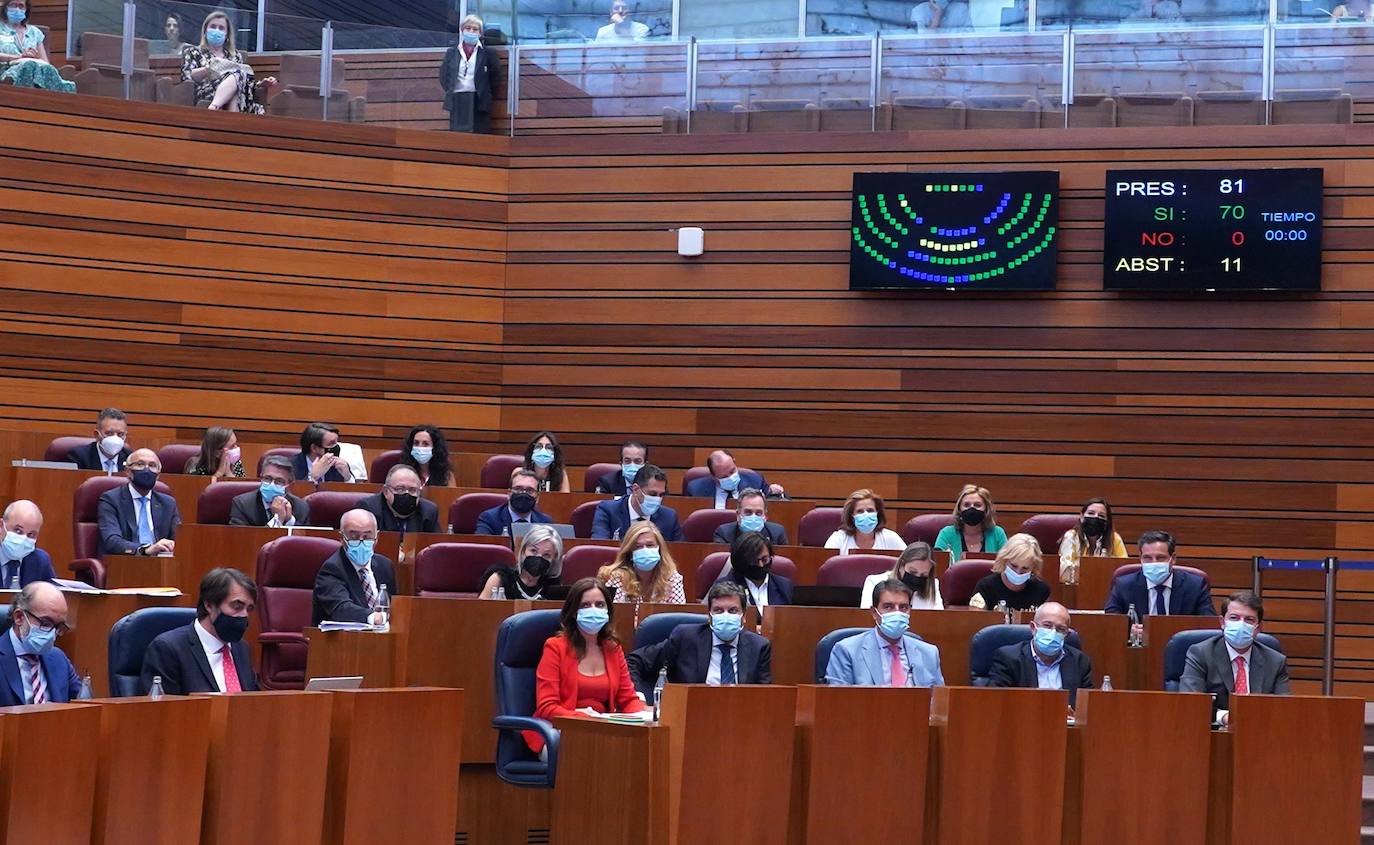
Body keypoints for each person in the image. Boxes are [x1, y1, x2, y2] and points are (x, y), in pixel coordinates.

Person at [527, 578, 645, 757]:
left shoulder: (613, 649)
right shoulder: (555, 647)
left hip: (602, 731)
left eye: (600, 604)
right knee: (593, 755)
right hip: (559, 731)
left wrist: (642, 717)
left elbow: (628, 699)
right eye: (585, 605)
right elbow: (546, 706)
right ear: (573, 612)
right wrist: (586, 720)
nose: (594, 610)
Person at [627, 582, 772, 694]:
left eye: (733, 610)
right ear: (709, 616)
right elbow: (634, 661)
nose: (726, 616)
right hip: (690, 716)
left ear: (744, 616)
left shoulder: (758, 647)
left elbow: (764, 695)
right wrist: (639, 697)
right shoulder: (685, 638)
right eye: (718, 610)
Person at [140, 567, 258, 694]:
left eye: (249, 609)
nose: (244, 615)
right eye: (237, 606)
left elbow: (251, 702)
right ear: (209, 605)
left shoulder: (241, 648)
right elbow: (163, 710)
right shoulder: (168, 649)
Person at [1180, 590, 1289, 725]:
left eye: (1249, 620)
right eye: (1234, 618)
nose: (1241, 624)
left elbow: (1284, 710)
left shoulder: (1275, 661)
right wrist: (1226, 717)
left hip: (1260, 733)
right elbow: (1192, 704)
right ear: (1222, 622)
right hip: (1213, 735)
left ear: (1258, 627)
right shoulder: (1200, 653)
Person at [825, 578, 944, 686]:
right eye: (888, 607)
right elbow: (839, 701)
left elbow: (939, 703)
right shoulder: (847, 651)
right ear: (874, 612)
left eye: (903, 607)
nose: (897, 613)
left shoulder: (929, 653)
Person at [1104, 530, 1216, 645]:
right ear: (1140, 558)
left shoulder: (1195, 586)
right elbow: (1111, 622)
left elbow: (1208, 625)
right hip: (1139, 651)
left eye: (1160, 558)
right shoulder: (1124, 585)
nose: (1154, 563)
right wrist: (1129, 631)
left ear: (1173, 559)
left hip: (1182, 651)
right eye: (1147, 558)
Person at [988, 602, 1093, 710]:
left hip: (1066, 726)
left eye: (1060, 629)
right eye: (1047, 626)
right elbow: (996, 704)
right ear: (1033, 628)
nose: (1053, 633)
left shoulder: (1080, 662)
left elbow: (1088, 709)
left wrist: (1076, 715)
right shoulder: (1008, 658)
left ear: (1066, 635)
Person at [312, 509, 398, 625]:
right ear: (342, 538)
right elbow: (341, 609)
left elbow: (394, 606)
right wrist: (374, 618)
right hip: (344, 640)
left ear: (376, 538)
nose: (361, 542)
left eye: (367, 537)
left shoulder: (385, 565)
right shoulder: (332, 569)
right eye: (354, 537)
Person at [0, 582, 80, 705]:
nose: (52, 634)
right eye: (45, 623)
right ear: (19, 617)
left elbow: (83, 708)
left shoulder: (59, 658)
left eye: (58, 626)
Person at [180, 11, 275, 112]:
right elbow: (187, 76)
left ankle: (214, 107)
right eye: (213, 26)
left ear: (227, 34)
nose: (216, 30)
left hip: (238, 92)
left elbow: (244, 81)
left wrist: (261, 84)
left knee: (238, 79)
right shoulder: (193, 52)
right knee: (237, 84)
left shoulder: (235, 55)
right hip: (207, 91)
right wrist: (208, 70)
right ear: (205, 30)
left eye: (221, 28)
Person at [97, 449, 180, 556]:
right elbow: (111, 541)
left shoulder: (168, 503)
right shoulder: (111, 499)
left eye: (152, 465)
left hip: (161, 564)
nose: (147, 469)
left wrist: (171, 545)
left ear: (158, 474)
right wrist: (145, 550)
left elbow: (180, 539)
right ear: (128, 471)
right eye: (140, 464)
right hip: (124, 562)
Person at [597, 521, 686, 604]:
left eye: (650, 545)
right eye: (638, 547)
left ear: (659, 549)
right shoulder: (615, 577)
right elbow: (610, 614)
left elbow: (678, 615)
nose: (645, 550)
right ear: (630, 553)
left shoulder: (672, 578)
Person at [440, 15, 500, 134]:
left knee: (479, 137)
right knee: (457, 138)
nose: (471, 31)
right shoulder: (452, 52)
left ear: (480, 33)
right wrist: (451, 89)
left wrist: (485, 93)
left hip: (479, 101)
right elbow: (444, 76)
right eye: (468, 28)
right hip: (457, 99)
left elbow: (496, 78)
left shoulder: (488, 53)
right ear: (462, 30)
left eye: (475, 29)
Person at [591, 463, 682, 541]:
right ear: (635, 489)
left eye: (661, 495)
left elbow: (678, 553)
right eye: (652, 494)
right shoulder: (608, 510)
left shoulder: (669, 517)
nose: (657, 499)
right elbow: (600, 547)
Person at [0, 0, 74, 92]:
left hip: (33, 70)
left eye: (21, 6)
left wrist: (32, 57)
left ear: (26, 9)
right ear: (5, 7)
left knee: (47, 69)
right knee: (28, 66)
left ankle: (55, 102)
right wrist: (18, 57)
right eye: (13, 5)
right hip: (5, 71)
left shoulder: (35, 32)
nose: (17, 9)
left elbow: (44, 62)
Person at [712, 532, 792, 616]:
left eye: (765, 559)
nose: (761, 565)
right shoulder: (724, 586)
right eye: (754, 561)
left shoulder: (784, 585)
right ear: (741, 561)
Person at [968, 533, 1051, 611]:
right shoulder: (986, 587)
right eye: (1014, 566)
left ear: (1033, 568)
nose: (1018, 572)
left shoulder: (1042, 591)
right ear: (1005, 560)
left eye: (1025, 568)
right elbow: (975, 621)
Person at [479, 524, 563, 599]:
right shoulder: (500, 579)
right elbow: (480, 611)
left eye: (546, 555)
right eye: (533, 551)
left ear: (554, 559)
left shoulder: (554, 587)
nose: (538, 558)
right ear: (523, 551)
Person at [1057, 497, 1127, 585]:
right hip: (1077, 588)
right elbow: (1065, 573)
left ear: (1106, 522)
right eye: (1091, 513)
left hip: (1106, 587)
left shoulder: (1114, 539)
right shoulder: (1071, 537)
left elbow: (1123, 570)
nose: (1095, 517)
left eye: (1101, 515)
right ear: (1082, 517)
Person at [934, 484, 1008, 563]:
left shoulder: (997, 533)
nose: (972, 509)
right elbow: (939, 566)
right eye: (966, 505)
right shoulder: (947, 533)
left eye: (977, 505)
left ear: (986, 510)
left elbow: (1006, 565)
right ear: (959, 509)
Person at [355, 465, 440, 534]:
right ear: (386, 491)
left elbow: (434, 549)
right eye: (400, 489)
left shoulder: (428, 511)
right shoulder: (369, 510)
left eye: (412, 490)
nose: (406, 494)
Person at [229, 455, 310, 527]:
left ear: (289, 484)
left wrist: (289, 521)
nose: (271, 484)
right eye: (267, 478)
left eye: (279, 481)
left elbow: (303, 541)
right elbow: (240, 539)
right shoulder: (242, 504)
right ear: (261, 478)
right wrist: (277, 520)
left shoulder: (301, 507)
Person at [861, 542, 943, 610]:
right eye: (912, 572)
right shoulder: (874, 582)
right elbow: (866, 618)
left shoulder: (933, 586)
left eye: (923, 575)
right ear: (901, 566)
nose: (917, 578)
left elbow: (938, 620)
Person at [685, 449, 784, 506]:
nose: (731, 477)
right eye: (724, 476)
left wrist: (776, 492)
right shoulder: (695, 489)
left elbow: (779, 503)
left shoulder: (755, 481)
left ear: (734, 462)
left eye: (732, 471)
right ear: (713, 476)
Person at [476, 469, 553, 536]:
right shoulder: (490, 519)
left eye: (530, 490)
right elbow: (482, 549)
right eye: (518, 489)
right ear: (509, 493)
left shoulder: (545, 523)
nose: (523, 493)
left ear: (537, 497)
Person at [824, 489, 905, 552]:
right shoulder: (838, 539)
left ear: (877, 513)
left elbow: (908, 564)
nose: (866, 515)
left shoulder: (891, 538)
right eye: (860, 511)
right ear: (852, 515)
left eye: (870, 510)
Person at [0, 500, 56, 588]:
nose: (23, 539)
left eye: (31, 534)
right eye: (18, 531)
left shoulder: (40, 561)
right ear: (1, 526)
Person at [713, 488, 789, 545]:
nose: (753, 517)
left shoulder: (777, 533)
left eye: (758, 513)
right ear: (738, 515)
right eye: (748, 513)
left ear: (765, 516)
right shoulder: (724, 533)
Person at [66, 407, 131, 472]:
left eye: (120, 434)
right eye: (109, 433)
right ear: (97, 435)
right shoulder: (79, 456)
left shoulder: (129, 457)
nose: (115, 438)